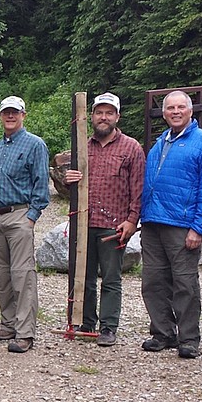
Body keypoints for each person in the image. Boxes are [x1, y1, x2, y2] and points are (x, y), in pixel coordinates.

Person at [139, 90, 202, 359]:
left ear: (190, 111)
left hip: (182, 224)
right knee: (153, 282)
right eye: (170, 108)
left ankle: (188, 338)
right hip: (153, 222)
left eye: (180, 107)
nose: (175, 112)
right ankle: (162, 332)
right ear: (163, 113)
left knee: (184, 283)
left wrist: (199, 227)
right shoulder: (160, 142)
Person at [63, 92, 146, 347]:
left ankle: (108, 327)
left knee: (111, 278)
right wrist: (69, 181)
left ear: (117, 117)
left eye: (109, 112)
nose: (103, 117)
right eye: (99, 112)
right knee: (83, 276)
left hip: (114, 225)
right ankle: (86, 322)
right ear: (92, 116)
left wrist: (132, 221)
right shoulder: (82, 147)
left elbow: (139, 188)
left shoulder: (131, 147)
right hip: (85, 223)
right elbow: (72, 187)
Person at [0, 96, 50, 353]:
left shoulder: (35, 144)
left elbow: (41, 182)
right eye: (6, 113)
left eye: (15, 112)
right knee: (1, 275)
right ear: (0, 116)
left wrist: (32, 215)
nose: (10, 116)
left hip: (19, 215)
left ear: (24, 115)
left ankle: (25, 332)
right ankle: (8, 323)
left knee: (22, 275)